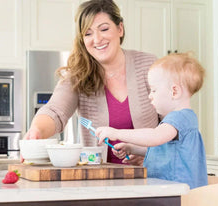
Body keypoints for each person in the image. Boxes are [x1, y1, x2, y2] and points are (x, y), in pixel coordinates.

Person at [23, 0, 159, 165]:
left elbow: (172, 123)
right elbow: (55, 111)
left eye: (104, 29)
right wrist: (37, 131)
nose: (97, 39)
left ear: (120, 29)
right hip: (99, 178)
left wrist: (149, 151)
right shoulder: (78, 74)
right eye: (88, 33)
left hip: (152, 176)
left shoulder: (149, 65)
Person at [95, 52, 208, 189]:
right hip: (172, 192)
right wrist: (132, 148)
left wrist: (116, 133)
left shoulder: (178, 118)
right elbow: (164, 151)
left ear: (174, 92)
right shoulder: (184, 118)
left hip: (174, 193)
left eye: (154, 90)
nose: (150, 96)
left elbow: (154, 137)